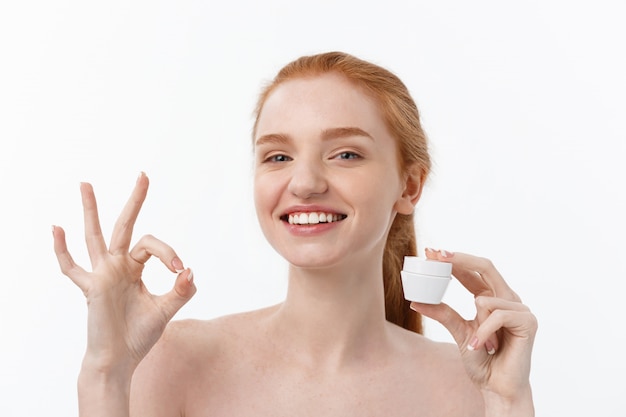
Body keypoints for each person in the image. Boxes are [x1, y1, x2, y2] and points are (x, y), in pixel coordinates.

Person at [52, 51, 537, 416]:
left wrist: (510, 403)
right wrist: (105, 374)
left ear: (409, 185)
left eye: (345, 154)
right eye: (278, 157)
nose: (304, 183)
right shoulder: (170, 361)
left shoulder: (472, 387)